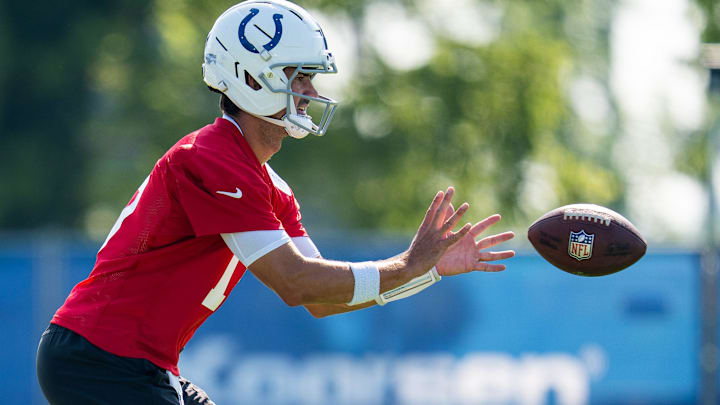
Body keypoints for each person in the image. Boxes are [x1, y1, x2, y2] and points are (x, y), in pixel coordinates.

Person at [35, 1, 516, 404]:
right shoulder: (212, 157)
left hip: (131, 363)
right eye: (298, 76)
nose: (309, 92)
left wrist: (426, 271)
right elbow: (295, 282)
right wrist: (408, 263)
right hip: (99, 358)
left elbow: (321, 301)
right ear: (249, 76)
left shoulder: (268, 183)